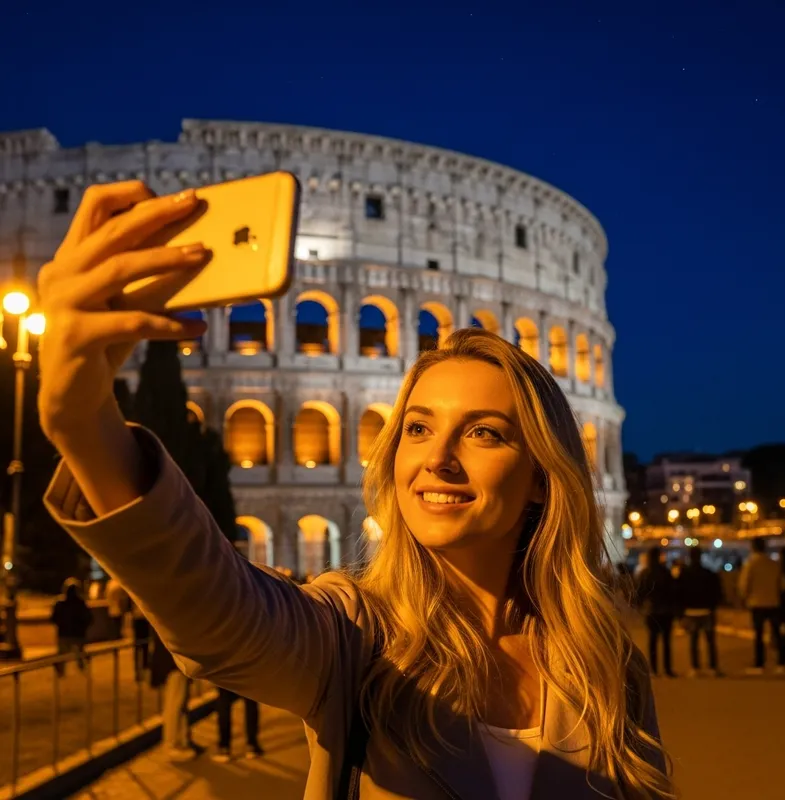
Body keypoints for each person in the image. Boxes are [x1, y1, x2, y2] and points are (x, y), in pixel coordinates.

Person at [36, 183, 672, 799]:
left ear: (541, 474)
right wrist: (85, 422)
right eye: (417, 428)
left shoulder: (604, 663)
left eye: (483, 432)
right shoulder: (353, 635)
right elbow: (215, 613)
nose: (437, 461)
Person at [738, 538, 785, 674]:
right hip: (773, 602)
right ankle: (781, 662)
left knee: (759, 635)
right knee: (777, 633)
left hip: (757, 603)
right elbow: (782, 584)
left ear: (753, 547)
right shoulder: (773, 564)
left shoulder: (750, 564)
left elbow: (744, 585)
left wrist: (744, 597)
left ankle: (760, 664)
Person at [150, 629, 197, 762]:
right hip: (174, 664)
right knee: (174, 705)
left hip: (175, 663)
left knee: (179, 704)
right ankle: (172, 745)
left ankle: (182, 741)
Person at [676, 548, 723, 677]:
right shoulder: (709, 573)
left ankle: (695, 667)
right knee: (710, 640)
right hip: (706, 611)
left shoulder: (684, 574)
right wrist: (712, 607)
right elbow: (717, 593)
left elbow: (678, 594)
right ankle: (713, 667)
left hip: (690, 611)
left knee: (693, 640)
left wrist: (681, 612)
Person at [635, 547, 677, 678]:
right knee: (666, 641)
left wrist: (640, 606)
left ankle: (654, 669)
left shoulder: (645, 573)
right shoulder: (665, 571)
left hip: (652, 611)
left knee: (653, 640)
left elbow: (640, 592)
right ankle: (667, 669)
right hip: (666, 610)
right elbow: (672, 591)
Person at [51, 579, 93, 677]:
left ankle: (61, 674)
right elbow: (89, 618)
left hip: (64, 633)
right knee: (80, 654)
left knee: (62, 655)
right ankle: (83, 671)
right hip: (78, 634)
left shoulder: (60, 603)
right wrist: (83, 627)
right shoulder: (81, 603)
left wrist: (60, 625)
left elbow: (53, 618)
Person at [212, 688, 265, 763]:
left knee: (224, 702)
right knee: (251, 702)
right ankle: (252, 746)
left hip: (224, 677)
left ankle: (224, 748)